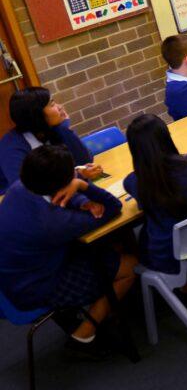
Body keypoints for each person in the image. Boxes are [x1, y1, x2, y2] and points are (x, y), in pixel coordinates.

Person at [0, 146, 137, 355]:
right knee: (130, 265)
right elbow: (112, 207)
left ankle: (113, 307)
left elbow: (62, 196)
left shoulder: (21, 187)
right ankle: (84, 336)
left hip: (17, 275)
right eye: (72, 174)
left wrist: (82, 201)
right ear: (63, 183)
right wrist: (83, 186)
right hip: (38, 287)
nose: (76, 173)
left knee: (109, 244)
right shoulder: (54, 222)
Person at [123, 114, 187, 280]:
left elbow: (133, 185)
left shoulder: (135, 182)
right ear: (166, 137)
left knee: (139, 235)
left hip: (169, 258)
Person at [0, 86, 99, 195]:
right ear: (36, 114)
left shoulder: (51, 129)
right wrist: (77, 176)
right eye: (52, 104)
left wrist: (64, 129)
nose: (60, 107)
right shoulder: (11, 147)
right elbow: (25, 190)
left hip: (53, 195)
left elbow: (84, 160)